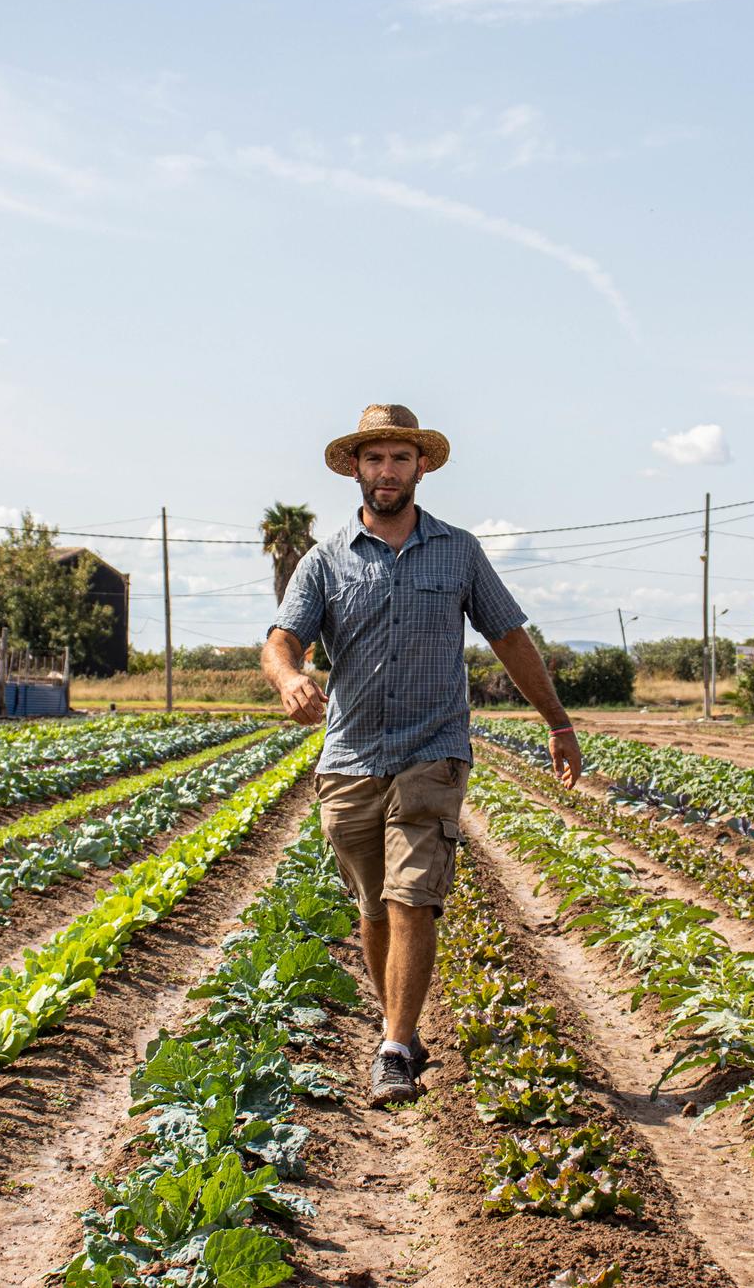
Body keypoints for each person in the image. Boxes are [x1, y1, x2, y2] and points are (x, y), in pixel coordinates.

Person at [261, 404, 581, 1106]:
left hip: (432, 752)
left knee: (413, 899)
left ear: (421, 467)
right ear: (355, 467)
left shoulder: (459, 551)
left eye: (399, 459)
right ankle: (395, 1025)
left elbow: (509, 637)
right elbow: (283, 638)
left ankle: (396, 1046)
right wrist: (290, 679)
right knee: (375, 908)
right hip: (350, 756)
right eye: (374, 458)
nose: (386, 471)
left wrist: (557, 721)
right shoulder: (326, 558)